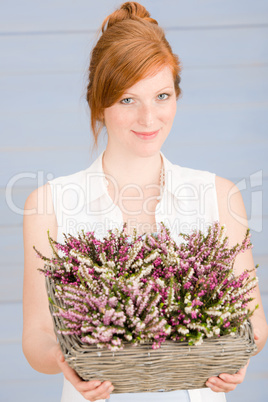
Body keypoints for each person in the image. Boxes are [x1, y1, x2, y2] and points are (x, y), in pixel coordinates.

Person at [22, 2, 268, 402]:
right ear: (99, 104)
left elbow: (254, 322)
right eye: (127, 100)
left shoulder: (220, 196)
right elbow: (36, 336)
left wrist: (240, 352)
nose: (149, 118)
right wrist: (62, 359)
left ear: (177, 96)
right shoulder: (48, 203)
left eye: (161, 95)